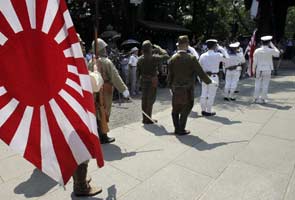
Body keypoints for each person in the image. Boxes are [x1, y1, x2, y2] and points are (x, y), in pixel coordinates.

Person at [72, 34, 103, 197]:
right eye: (81, 44)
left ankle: (78, 180)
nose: (83, 46)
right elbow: (94, 85)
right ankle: (81, 186)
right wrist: (96, 71)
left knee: (75, 148)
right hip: (79, 112)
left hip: (71, 112)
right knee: (82, 149)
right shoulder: (77, 61)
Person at [168, 36, 213, 135]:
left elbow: (169, 75)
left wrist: (170, 87)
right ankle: (181, 129)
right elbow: (200, 73)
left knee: (175, 109)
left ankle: (177, 128)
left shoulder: (172, 58)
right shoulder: (191, 58)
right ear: (187, 45)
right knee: (187, 107)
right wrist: (210, 82)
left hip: (176, 88)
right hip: (188, 89)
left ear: (178, 45)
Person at [90, 38, 130, 143]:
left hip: (94, 90)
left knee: (96, 111)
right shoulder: (107, 62)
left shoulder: (90, 62)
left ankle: (98, 134)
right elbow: (115, 77)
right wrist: (123, 89)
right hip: (105, 90)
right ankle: (103, 134)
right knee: (104, 111)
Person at [137, 40, 169, 124]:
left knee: (144, 99)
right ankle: (148, 119)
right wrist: (160, 49)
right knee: (150, 99)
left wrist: (138, 82)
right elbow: (166, 56)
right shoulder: (154, 57)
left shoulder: (139, 59)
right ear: (150, 48)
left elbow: (138, 72)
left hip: (143, 80)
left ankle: (145, 118)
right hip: (152, 80)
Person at [199, 39, 229, 116]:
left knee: (203, 94)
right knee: (211, 95)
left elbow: (199, 68)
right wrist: (221, 49)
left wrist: (200, 78)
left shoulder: (202, 55)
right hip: (214, 76)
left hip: (204, 76)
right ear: (215, 46)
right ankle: (208, 111)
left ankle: (203, 110)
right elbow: (228, 60)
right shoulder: (218, 55)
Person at [253, 35, 280, 103]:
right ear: (268, 42)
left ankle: (256, 98)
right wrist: (273, 45)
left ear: (261, 42)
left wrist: (253, 70)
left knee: (257, 84)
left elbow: (254, 62)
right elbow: (278, 54)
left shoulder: (257, 50)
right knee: (265, 84)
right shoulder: (271, 50)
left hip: (259, 69)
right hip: (268, 69)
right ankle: (263, 99)